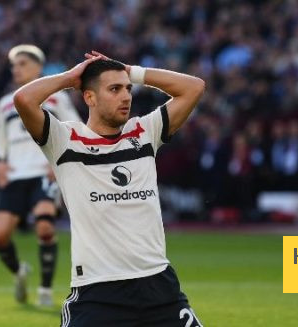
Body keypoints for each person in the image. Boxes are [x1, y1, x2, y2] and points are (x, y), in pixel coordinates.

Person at [13, 51, 205, 326]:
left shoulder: (144, 132)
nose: (126, 96)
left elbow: (194, 87)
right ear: (89, 97)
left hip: (159, 287)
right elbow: (23, 99)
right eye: (114, 89)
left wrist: (130, 71)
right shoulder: (64, 140)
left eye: (128, 89)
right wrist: (70, 78)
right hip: (98, 293)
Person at [0, 44, 81, 306]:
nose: (16, 69)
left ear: (38, 68)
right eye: (14, 65)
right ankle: (20, 273)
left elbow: (75, 129)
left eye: (22, 64)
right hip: (16, 175)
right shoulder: (5, 103)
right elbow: (0, 140)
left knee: (44, 226)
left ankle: (45, 290)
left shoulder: (56, 98)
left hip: (44, 172)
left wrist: (59, 162)